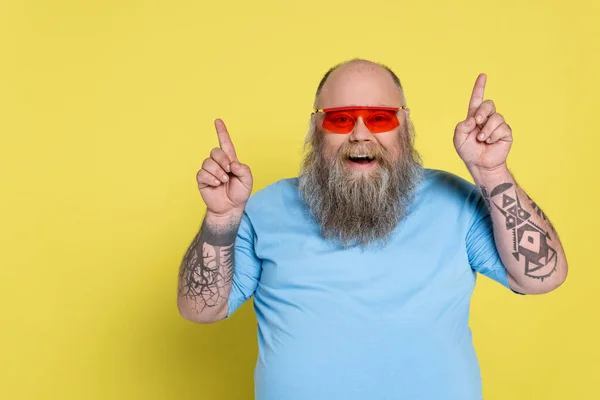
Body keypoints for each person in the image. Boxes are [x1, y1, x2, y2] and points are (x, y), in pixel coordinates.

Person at [177, 59, 568, 400]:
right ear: (316, 129)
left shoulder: (456, 202)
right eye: (341, 119)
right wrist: (221, 219)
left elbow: (543, 276)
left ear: (404, 126)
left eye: (379, 117)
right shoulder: (263, 209)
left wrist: (491, 172)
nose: (360, 134)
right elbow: (200, 309)